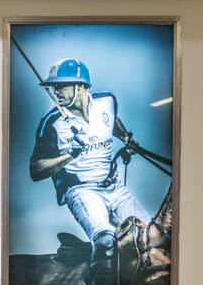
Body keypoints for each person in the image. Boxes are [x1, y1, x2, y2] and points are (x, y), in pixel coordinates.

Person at [28, 58, 151, 271]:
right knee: (105, 240)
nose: (56, 91)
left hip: (114, 187)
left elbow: (111, 122)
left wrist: (126, 138)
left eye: (61, 86)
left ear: (81, 86)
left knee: (151, 236)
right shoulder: (51, 123)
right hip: (81, 191)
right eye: (53, 87)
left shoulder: (107, 102)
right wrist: (69, 155)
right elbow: (35, 171)